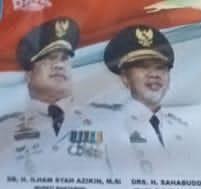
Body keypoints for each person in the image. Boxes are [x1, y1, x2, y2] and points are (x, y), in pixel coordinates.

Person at [1, 19, 112, 179]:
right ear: (29, 75)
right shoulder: (5, 129)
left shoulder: (106, 120)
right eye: (49, 58)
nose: (59, 65)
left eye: (64, 58)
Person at [96, 25, 188, 177]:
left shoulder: (183, 129)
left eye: (160, 68)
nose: (154, 74)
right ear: (125, 78)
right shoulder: (106, 127)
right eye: (144, 67)